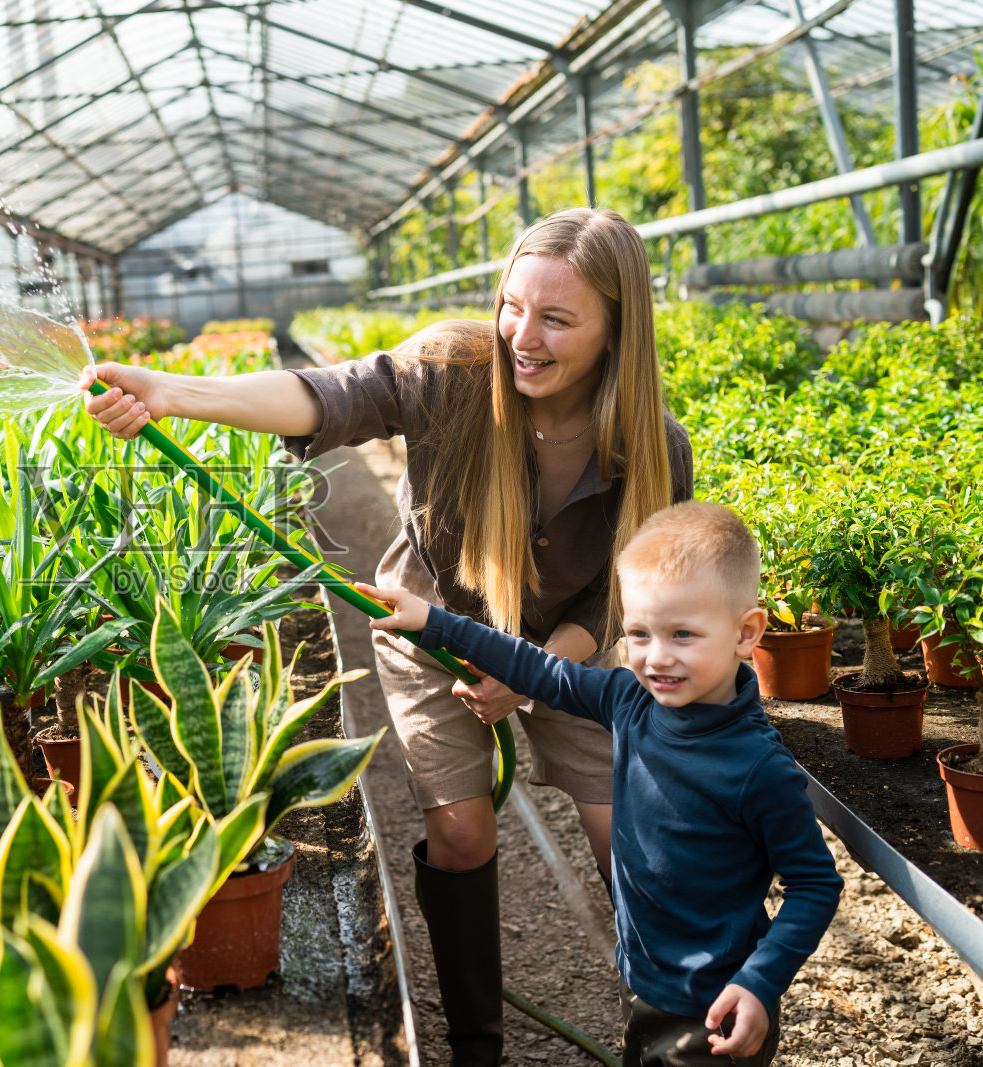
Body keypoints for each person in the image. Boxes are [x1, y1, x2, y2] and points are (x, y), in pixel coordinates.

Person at [81, 207, 692, 1063]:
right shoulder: (451, 371)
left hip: (563, 654)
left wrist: (531, 671)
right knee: (463, 831)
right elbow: (324, 394)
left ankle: (671, 1034)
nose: (522, 336)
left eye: (556, 318)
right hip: (426, 625)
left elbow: (613, 598)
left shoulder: (654, 447)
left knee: (627, 831)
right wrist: (171, 392)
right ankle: (477, 1045)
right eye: (513, 305)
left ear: (616, 331)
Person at [357, 500, 843, 1066]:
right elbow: (538, 669)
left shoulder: (758, 768)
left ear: (745, 633)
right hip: (641, 983)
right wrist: (433, 621)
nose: (657, 658)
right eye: (639, 634)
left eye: (682, 634)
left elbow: (814, 884)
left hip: (714, 1009)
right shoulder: (629, 700)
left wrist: (759, 982)